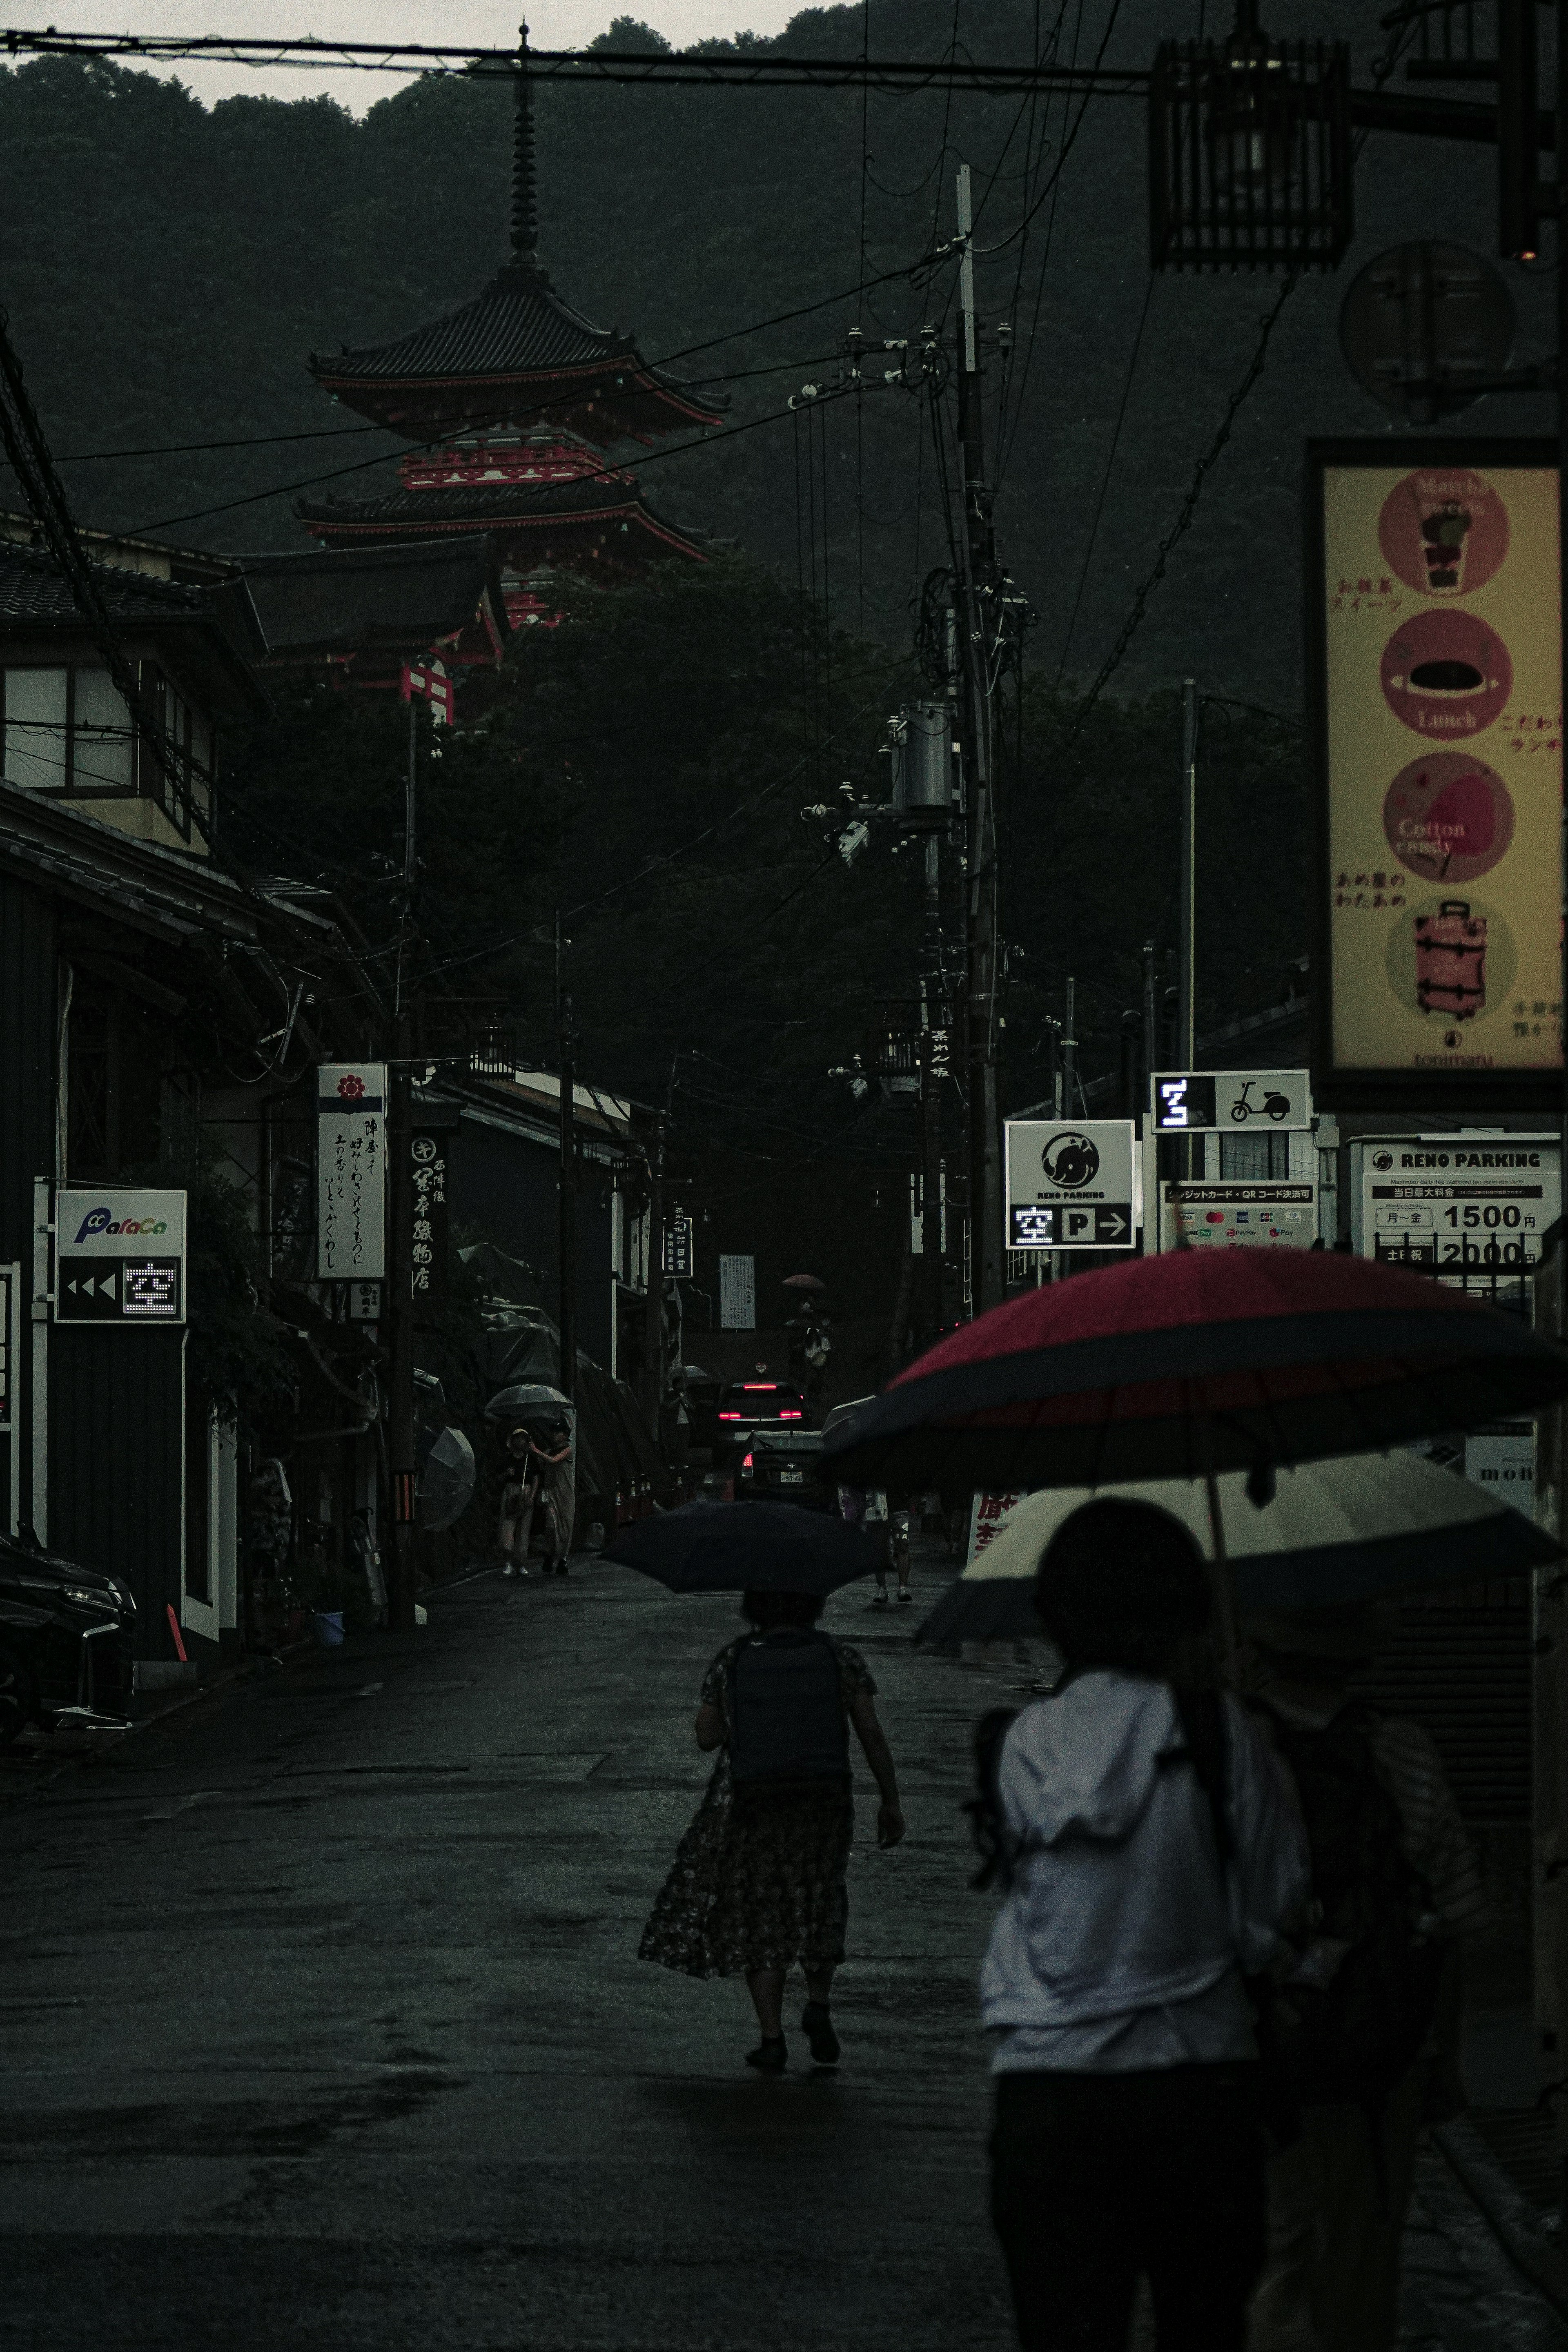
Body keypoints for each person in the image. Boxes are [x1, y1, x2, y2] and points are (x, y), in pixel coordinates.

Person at [982, 1497, 1310, 2352]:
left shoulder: (1024, 1741)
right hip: (1198, 2087)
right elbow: (1274, 1903)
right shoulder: (1221, 1735)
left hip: (1048, 2091)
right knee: (1204, 2328)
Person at [1241, 1604, 1491, 2352]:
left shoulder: (1224, 1748)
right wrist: (1442, 2055)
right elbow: (1451, 1917)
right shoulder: (1400, 1748)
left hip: (1253, 2038)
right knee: (1362, 2255)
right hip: (1379, 2047)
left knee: (1268, 2251)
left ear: (1262, 1653)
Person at [639, 1587, 906, 2070]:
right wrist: (890, 1799)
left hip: (756, 1800)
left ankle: (771, 2037)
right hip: (824, 1799)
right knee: (821, 1895)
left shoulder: (734, 1660)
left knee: (764, 1912)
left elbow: (706, 1737)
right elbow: (870, 1731)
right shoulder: (839, 1657)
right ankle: (819, 2005)